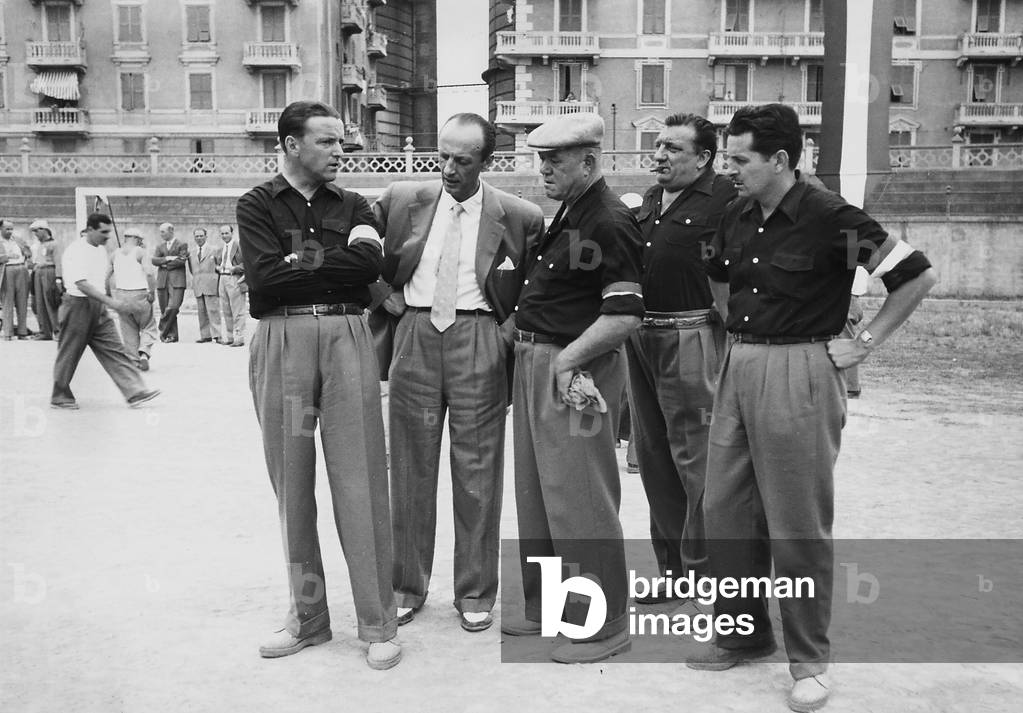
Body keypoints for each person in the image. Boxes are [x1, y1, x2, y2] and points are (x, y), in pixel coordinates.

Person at [687, 104, 936, 713]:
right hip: (739, 363)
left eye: (740, 159)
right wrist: (732, 322)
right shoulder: (738, 211)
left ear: (780, 160)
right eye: (727, 158)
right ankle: (744, 636)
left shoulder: (831, 217)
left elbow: (916, 276)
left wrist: (864, 342)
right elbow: (717, 273)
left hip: (800, 369)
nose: (729, 169)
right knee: (726, 511)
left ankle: (810, 662)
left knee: (796, 522)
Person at [237, 99, 401, 670]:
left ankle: (378, 623)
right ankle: (307, 619)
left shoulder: (356, 204)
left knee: (362, 482)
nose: (340, 151)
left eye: (341, 141)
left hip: (347, 337)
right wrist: (334, 260)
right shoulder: (256, 204)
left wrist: (299, 262)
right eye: (327, 141)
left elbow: (369, 267)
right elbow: (263, 278)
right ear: (291, 144)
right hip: (282, 340)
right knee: (294, 486)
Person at [370, 113, 544, 633]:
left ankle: (475, 590)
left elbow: (539, 284)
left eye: (462, 160)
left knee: (478, 473)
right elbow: (352, 247)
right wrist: (381, 295)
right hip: (415, 333)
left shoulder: (520, 216)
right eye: (442, 155)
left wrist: (505, 331)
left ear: (486, 162)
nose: (448, 168)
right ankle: (406, 586)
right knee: (409, 469)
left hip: (478, 337)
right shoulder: (400, 199)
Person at [502, 112, 644, 663]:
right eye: (541, 160)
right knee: (539, 496)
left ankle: (604, 624)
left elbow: (624, 314)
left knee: (580, 498)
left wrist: (568, 361)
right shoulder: (570, 212)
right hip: (539, 361)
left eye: (555, 161)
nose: (544, 170)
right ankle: (550, 605)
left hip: (574, 368)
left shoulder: (609, 219)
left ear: (588, 161)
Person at [625, 113, 736, 604]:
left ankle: (709, 576)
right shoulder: (651, 199)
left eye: (672, 148)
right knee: (655, 461)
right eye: (658, 145)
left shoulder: (727, 199)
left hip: (691, 335)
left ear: (704, 158)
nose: (659, 155)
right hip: (640, 337)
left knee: (697, 463)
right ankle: (674, 573)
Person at [50, 213, 160, 409]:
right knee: (69, 352)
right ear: (90, 230)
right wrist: (112, 302)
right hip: (77, 305)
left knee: (115, 349)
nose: (107, 236)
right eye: (103, 232)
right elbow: (82, 284)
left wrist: (106, 301)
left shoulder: (101, 250)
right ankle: (60, 395)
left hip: (98, 307)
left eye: (109, 232)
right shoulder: (76, 250)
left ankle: (134, 391)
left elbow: (101, 279)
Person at [111, 230, 158, 371]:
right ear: (137, 239)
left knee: (128, 329)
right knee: (148, 326)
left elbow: (107, 275)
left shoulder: (115, 254)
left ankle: (133, 361)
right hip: (139, 294)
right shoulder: (140, 252)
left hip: (121, 295)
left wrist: (109, 294)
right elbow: (149, 273)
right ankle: (144, 352)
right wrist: (152, 292)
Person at [151, 222, 187, 342]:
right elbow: (154, 260)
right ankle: (172, 335)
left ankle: (162, 330)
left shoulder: (182, 244)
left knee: (173, 307)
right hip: (162, 281)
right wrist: (167, 258)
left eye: (163, 232)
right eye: (160, 232)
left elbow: (181, 261)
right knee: (164, 308)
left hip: (177, 281)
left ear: (171, 231)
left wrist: (165, 264)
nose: (161, 234)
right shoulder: (160, 246)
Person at [188, 227, 222, 344]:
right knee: (201, 311)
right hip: (198, 284)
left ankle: (217, 335)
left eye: (201, 236)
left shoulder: (214, 250)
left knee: (213, 310)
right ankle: (205, 335)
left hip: (210, 283)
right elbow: (191, 269)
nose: (199, 238)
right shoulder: (192, 252)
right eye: (197, 236)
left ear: (206, 236)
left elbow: (219, 266)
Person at [1, 218, 33, 340]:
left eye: (11, 229)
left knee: (22, 301)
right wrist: (7, 256)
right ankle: (8, 333)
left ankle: (22, 332)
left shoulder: (17, 240)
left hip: (21, 269)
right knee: (7, 302)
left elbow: (28, 252)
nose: (10, 231)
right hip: (6, 270)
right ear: (0, 228)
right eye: (7, 229)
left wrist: (27, 253)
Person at [29, 219, 60, 340]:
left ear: (44, 230)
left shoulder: (54, 244)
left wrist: (58, 278)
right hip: (38, 272)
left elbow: (58, 262)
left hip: (49, 271)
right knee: (39, 302)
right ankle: (44, 332)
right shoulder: (39, 245)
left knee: (51, 301)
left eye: (37, 231)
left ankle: (58, 331)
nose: (36, 234)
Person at [215, 225, 246, 347]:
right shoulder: (221, 248)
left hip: (234, 278)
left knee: (237, 309)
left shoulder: (239, 246)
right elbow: (217, 263)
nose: (224, 236)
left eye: (226, 233)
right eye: (222, 234)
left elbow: (247, 263)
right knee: (226, 309)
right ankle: (230, 337)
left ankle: (239, 337)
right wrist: (218, 268)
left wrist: (235, 268)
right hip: (222, 278)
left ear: (232, 233)